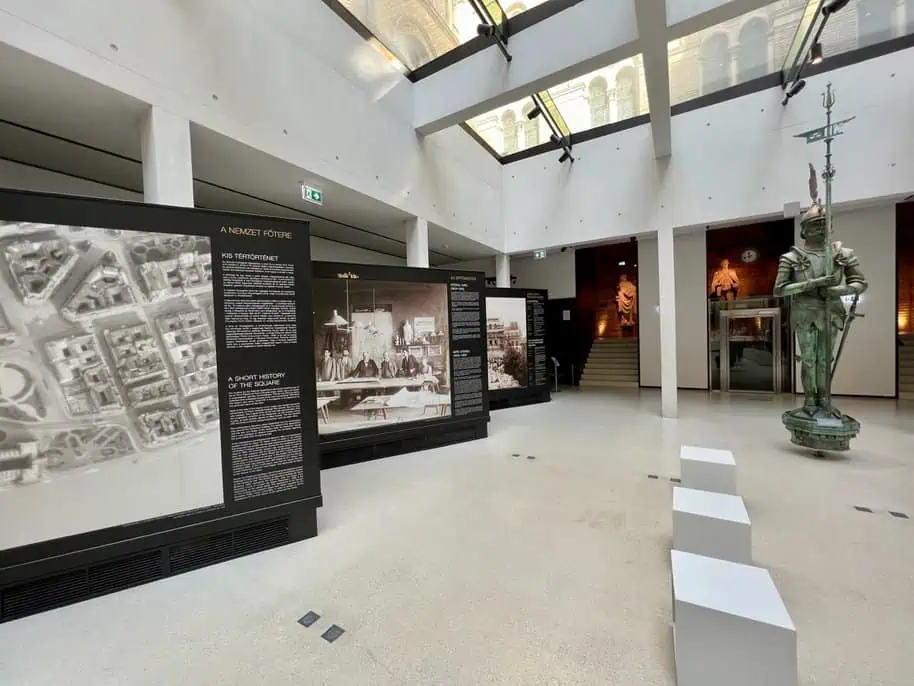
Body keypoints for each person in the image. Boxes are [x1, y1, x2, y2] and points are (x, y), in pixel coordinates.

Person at [773, 201, 867, 415]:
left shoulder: (840, 254)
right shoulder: (792, 258)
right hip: (804, 310)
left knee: (825, 358)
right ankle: (809, 401)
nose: (820, 228)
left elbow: (860, 282)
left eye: (823, 224)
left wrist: (836, 291)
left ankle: (824, 399)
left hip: (830, 310)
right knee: (808, 359)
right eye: (815, 224)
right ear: (804, 230)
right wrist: (811, 284)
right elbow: (779, 289)